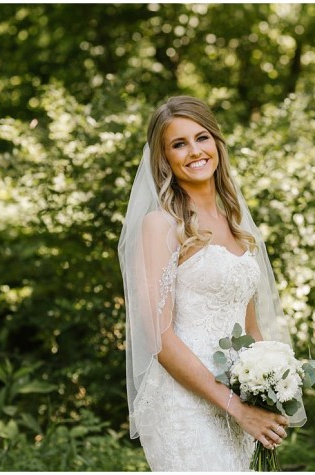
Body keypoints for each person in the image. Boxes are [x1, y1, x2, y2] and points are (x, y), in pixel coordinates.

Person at [119, 96, 305, 470]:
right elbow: (159, 337)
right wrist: (235, 407)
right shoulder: (161, 225)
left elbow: (250, 328)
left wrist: (266, 391)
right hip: (184, 402)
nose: (194, 151)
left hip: (238, 400)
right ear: (164, 158)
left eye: (201, 137)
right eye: (178, 144)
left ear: (216, 143)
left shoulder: (235, 225)